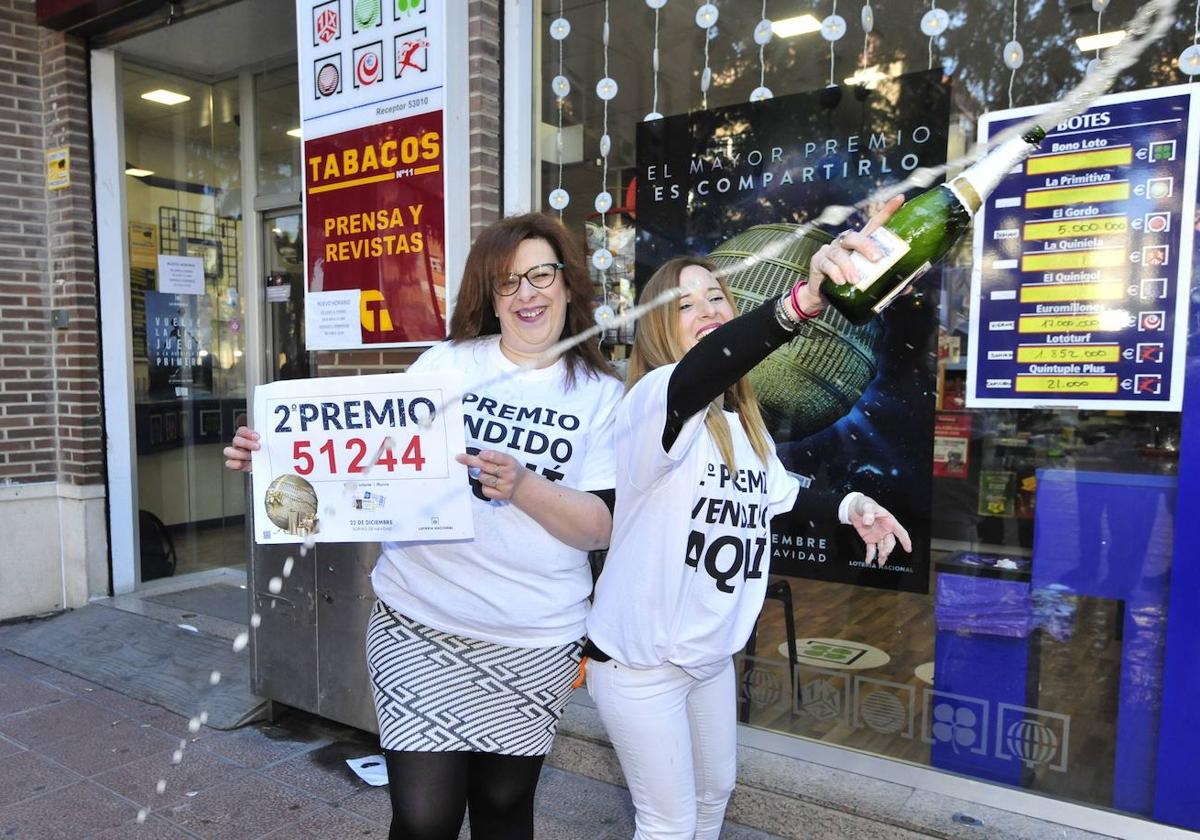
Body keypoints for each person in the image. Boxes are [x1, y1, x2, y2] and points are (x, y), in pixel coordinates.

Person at [224, 213, 623, 840]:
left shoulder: (601, 394)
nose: (527, 294)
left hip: (534, 638)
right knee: (423, 818)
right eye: (507, 281)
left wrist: (522, 485)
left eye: (541, 275)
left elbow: (598, 527)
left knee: (503, 810)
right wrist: (275, 456)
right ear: (489, 298)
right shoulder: (445, 366)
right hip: (419, 623)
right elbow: (365, 459)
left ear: (569, 286)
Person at [583, 198, 914, 840]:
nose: (707, 312)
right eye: (685, 305)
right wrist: (801, 302)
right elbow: (710, 366)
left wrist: (852, 506)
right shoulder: (656, 401)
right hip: (639, 666)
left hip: (707, 658)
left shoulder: (743, 427)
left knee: (714, 799)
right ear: (657, 329)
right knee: (669, 824)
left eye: (717, 298)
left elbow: (781, 494)